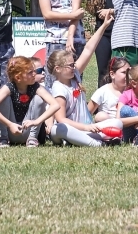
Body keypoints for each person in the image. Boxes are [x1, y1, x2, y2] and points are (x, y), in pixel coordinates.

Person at [44, 15, 123, 147]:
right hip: (70, 129)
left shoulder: (74, 75)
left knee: (117, 123)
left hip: (86, 129)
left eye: (73, 64)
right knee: (61, 128)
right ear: (58, 69)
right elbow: (61, 119)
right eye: (70, 65)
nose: (74, 67)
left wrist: (103, 26)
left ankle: (79, 140)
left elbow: (88, 50)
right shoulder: (58, 88)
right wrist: (85, 128)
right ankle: (98, 144)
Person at [36, 0, 85, 87]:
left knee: (75, 78)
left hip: (75, 37)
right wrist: (72, 14)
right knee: (53, 80)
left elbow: (77, 10)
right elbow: (47, 14)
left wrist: (70, 36)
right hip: (55, 39)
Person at [0, 56, 59, 147]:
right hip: (10, 130)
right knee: (4, 99)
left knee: (39, 99)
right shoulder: (9, 87)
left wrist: (36, 121)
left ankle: (33, 138)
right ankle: (3, 138)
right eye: (30, 72)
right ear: (18, 78)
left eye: (34, 71)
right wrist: (10, 124)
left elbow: (55, 105)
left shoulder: (36, 87)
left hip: (29, 131)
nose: (34, 74)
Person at [85, 0, 116, 86]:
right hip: (103, 34)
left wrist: (110, 10)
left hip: (119, 33)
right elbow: (98, 12)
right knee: (103, 70)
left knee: (119, 68)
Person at [89, 57, 130, 123]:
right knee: (101, 116)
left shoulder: (132, 91)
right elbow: (87, 113)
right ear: (112, 74)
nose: (128, 75)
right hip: (107, 128)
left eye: (129, 72)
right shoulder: (103, 91)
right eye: (124, 72)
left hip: (126, 126)